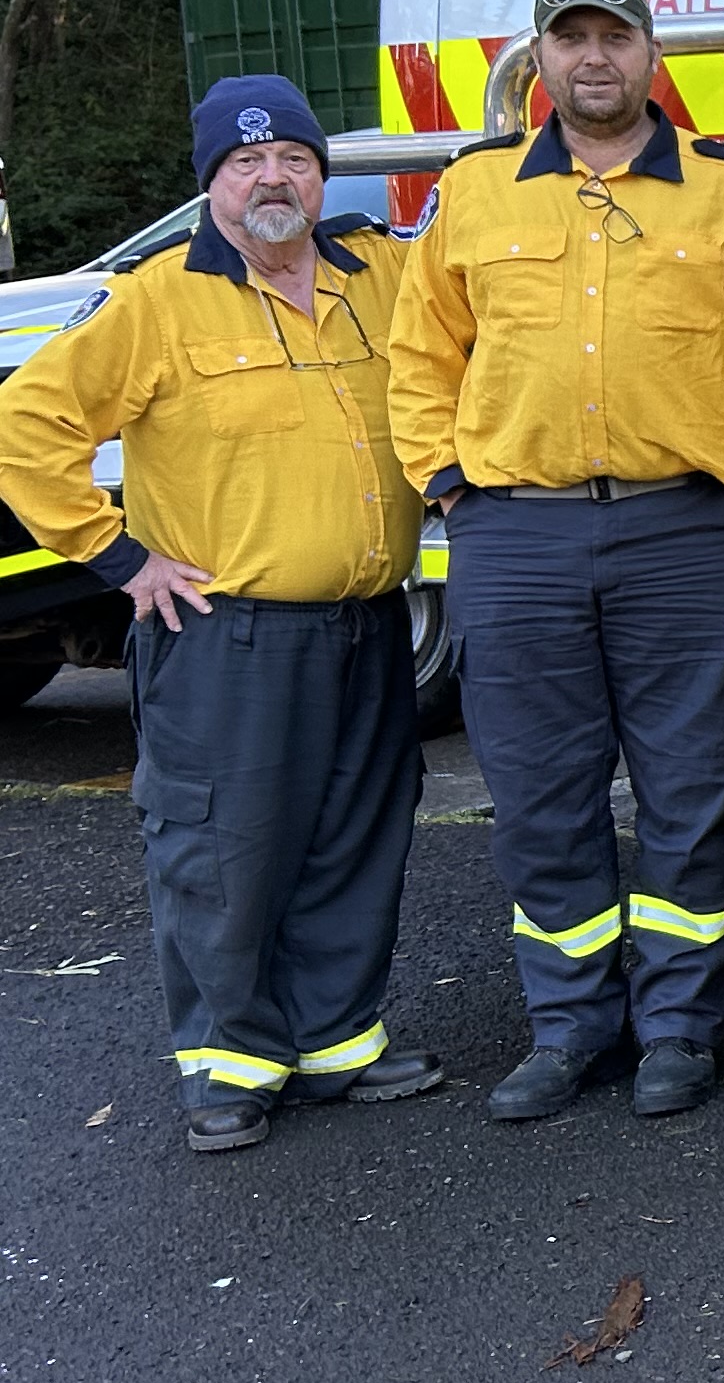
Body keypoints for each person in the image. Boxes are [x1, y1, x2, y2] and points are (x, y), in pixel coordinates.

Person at [390, 0, 724, 1122]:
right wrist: (447, 486)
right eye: (569, 40)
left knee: (690, 789)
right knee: (538, 795)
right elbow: (420, 357)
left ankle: (679, 1026)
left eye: (613, 38)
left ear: (650, 55)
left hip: (685, 530)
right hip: (513, 535)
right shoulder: (475, 196)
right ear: (540, 59)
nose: (593, 60)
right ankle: (569, 1026)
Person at [0, 80, 433, 1150]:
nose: (273, 178)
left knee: (355, 838)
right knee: (223, 852)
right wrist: (114, 554)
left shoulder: (377, 274)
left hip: (368, 621)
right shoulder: (156, 300)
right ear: (211, 184)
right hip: (227, 635)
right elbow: (26, 423)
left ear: (321, 175)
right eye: (246, 164)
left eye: (292, 157)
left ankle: (337, 1040)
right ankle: (231, 1066)